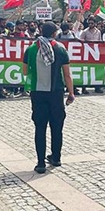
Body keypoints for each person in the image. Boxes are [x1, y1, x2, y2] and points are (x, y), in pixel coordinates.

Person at [22, 21, 75, 174]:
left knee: (40, 127)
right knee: (57, 126)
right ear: (54, 34)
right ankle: (56, 157)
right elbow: (67, 74)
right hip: (56, 92)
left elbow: (25, 72)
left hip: (37, 93)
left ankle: (40, 163)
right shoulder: (60, 48)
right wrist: (71, 93)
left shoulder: (31, 49)